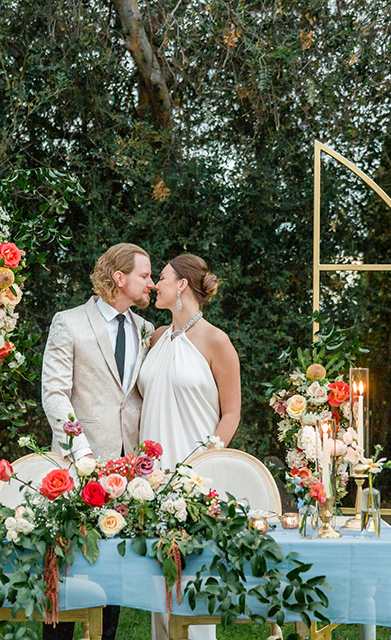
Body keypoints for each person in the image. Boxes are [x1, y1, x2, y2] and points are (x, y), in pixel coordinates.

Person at [40, 242, 156, 640]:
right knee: (68, 573)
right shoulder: (68, 322)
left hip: (128, 470)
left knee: (113, 579)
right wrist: (80, 450)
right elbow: (54, 393)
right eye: (145, 275)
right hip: (77, 468)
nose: (152, 284)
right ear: (119, 278)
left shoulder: (144, 329)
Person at [137, 254, 241, 640]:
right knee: (158, 583)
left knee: (195, 581)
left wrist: (204, 463)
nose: (154, 285)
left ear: (181, 285)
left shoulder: (216, 340)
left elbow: (231, 413)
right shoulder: (157, 337)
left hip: (196, 472)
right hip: (152, 474)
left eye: (161, 278)